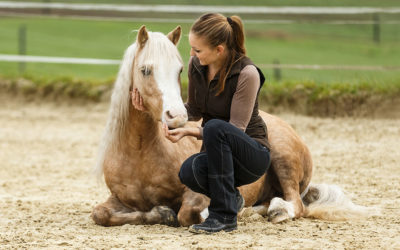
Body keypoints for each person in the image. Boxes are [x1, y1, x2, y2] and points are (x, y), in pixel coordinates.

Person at [132, 13, 271, 234]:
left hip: (251, 156)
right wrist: (155, 111)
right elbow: (194, 110)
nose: (192, 54)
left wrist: (190, 131)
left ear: (219, 50)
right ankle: (232, 197)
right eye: (192, 48)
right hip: (219, 153)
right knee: (189, 171)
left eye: (198, 50)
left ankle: (224, 217)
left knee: (216, 126)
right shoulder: (197, 66)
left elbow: (235, 129)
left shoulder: (247, 73)